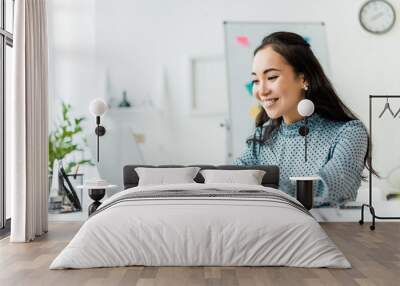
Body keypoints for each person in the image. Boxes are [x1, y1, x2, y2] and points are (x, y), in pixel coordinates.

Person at [233, 31, 378, 207]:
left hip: (327, 234)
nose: (261, 91)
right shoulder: (262, 139)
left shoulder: (349, 132)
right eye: (255, 81)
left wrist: (259, 185)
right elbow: (233, 180)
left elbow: (330, 190)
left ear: (304, 79)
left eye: (271, 77)